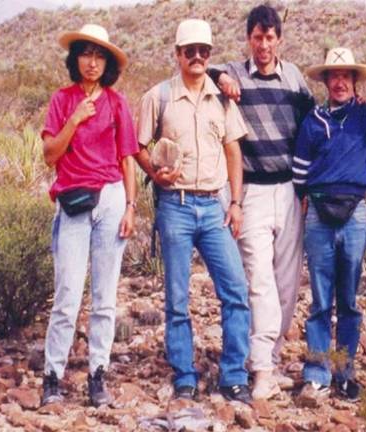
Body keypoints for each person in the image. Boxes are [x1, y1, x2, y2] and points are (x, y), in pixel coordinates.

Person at [134, 19, 252, 403]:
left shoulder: (221, 98)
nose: (197, 57)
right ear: (178, 54)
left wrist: (235, 203)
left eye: (204, 51)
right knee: (177, 296)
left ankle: (233, 375)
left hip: (215, 205)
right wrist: (156, 173)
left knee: (235, 290)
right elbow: (137, 145)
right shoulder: (160, 96)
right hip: (176, 207)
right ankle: (184, 374)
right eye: (190, 51)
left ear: (210, 55)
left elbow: (233, 149)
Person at [206, 4, 315, 400]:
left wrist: (310, 189)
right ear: (249, 39)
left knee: (287, 283)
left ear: (279, 40)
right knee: (260, 280)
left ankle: (271, 352)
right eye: (257, 37)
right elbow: (203, 70)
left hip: (289, 190)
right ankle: (262, 370)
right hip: (250, 190)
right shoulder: (233, 74)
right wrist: (220, 75)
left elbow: (314, 126)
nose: (264, 45)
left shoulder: (294, 78)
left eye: (270, 38)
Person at [40, 24, 138, 407]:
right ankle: (53, 376)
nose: (92, 62)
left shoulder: (116, 103)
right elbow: (50, 153)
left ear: (107, 63)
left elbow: (127, 159)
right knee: (66, 294)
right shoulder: (62, 100)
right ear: (75, 58)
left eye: (99, 56)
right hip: (73, 201)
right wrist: (76, 119)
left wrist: (131, 206)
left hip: (111, 198)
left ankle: (99, 374)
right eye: (86, 54)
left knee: (105, 296)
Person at [292, 48, 366, 402]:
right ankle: (317, 373)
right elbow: (299, 170)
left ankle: (346, 372)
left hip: (355, 211)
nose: (340, 82)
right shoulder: (313, 120)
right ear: (325, 81)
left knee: (350, 300)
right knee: (321, 299)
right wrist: (306, 199)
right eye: (333, 76)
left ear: (354, 80)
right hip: (319, 213)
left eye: (346, 75)